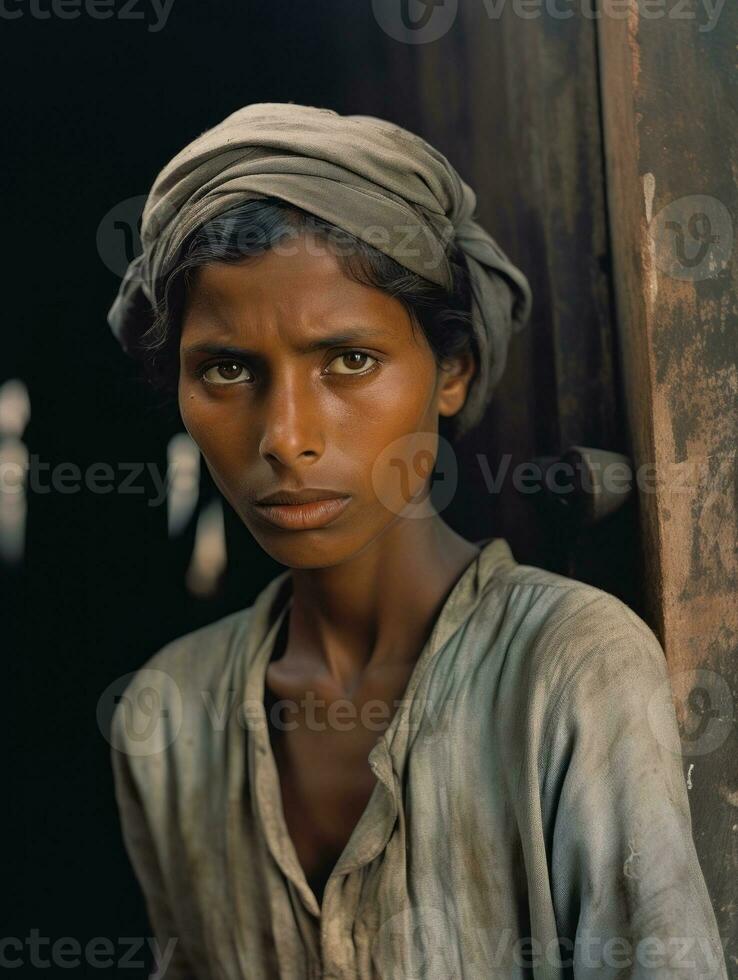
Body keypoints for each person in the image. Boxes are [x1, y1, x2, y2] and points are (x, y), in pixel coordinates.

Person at [107, 103, 726, 979]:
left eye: (348, 360)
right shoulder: (167, 716)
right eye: (227, 368)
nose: (285, 435)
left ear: (453, 371)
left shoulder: (570, 671)